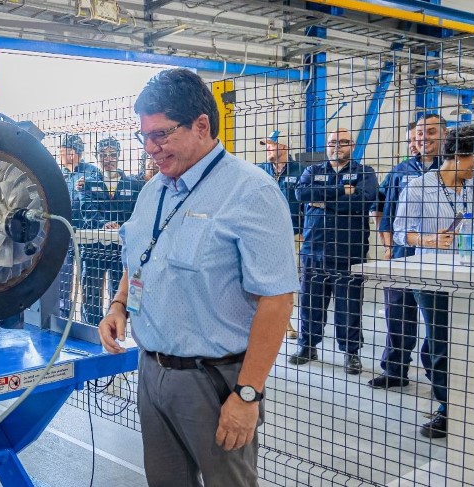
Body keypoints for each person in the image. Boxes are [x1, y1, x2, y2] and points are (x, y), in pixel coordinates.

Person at [98, 68, 299, 487]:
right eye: (144, 136)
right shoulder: (153, 191)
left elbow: (277, 300)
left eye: (161, 134)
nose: (150, 148)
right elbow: (141, 257)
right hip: (152, 372)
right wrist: (119, 305)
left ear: (202, 126)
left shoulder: (251, 192)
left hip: (215, 382)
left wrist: (247, 394)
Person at [393, 124, 474, 438]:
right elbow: (401, 232)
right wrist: (429, 239)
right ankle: (448, 408)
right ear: (458, 154)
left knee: (465, 341)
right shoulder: (419, 187)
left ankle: (466, 400)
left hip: (472, 275)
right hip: (432, 276)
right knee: (441, 343)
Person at [289, 128, 378, 374]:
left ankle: (351, 352)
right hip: (314, 250)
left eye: (343, 142)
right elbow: (301, 193)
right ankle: (307, 346)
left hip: (349, 253)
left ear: (352, 146)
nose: (337, 146)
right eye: (332, 142)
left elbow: (363, 200)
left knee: (348, 307)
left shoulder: (365, 172)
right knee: (310, 303)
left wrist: (323, 201)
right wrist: (342, 190)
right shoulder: (312, 171)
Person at [369, 116, 443, 389]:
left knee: (437, 321)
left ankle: (437, 375)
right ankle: (395, 370)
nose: (423, 138)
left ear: (445, 135)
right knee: (397, 314)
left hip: (440, 258)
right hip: (403, 254)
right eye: (419, 133)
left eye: (431, 132)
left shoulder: (454, 169)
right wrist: (389, 247)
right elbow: (385, 212)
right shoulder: (400, 171)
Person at [79, 137, 144, 324]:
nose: (108, 159)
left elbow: (137, 212)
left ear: (119, 156)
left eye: (112, 154)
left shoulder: (133, 185)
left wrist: (121, 227)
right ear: (97, 157)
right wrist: (103, 224)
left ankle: (115, 327)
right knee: (91, 292)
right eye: (103, 155)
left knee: (118, 292)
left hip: (120, 249)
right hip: (93, 248)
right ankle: (91, 328)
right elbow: (87, 209)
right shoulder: (87, 184)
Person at [257, 130, 305, 340]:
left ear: (284, 146)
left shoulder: (301, 171)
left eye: (272, 144)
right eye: (266, 145)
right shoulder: (258, 171)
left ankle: (286, 321)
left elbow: (306, 204)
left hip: (292, 236)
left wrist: (304, 231)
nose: (268, 148)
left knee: (287, 280)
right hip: (262, 235)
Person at [56, 134, 102, 318]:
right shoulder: (58, 174)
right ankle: (63, 317)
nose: (61, 155)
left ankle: (89, 319)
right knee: (63, 277)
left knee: (88, 279)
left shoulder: (91, 172)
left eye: (63, 151)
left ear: (73, 153)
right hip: (65, 232)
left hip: (87, 233)